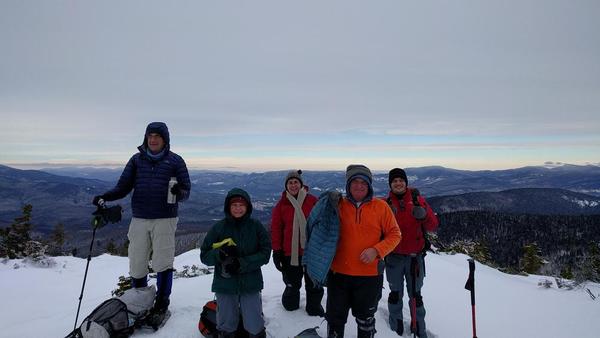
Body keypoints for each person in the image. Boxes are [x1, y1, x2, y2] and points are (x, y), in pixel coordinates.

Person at [92, 121, 191, 326]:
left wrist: (178, 192)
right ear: (146, 138)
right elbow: (123, 187)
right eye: (150, 136)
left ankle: (162, 302)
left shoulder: (175, 161)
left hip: (165, 218)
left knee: (163, 262)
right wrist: (105, 197)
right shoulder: (136, 160)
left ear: (165, 139)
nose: (153, 139)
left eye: (157, 136)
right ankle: (139, 300)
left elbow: (186, 191)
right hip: (139, 218)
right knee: (137, 262)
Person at [326, 164, 401, 338]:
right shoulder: (337, 205)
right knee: (335, 320)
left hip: (369, 276)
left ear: (369, 186)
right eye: (355, 182)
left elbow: (395, 234)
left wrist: (377, 250)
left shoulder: (381, 207)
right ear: (348, 184)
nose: (359, 186)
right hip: (338, 274)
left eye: (364, 183)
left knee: (365, 319)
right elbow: (320, 229)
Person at [200, 188, 271, 338]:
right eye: (234, 205)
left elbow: (265, 253)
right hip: (225, 283)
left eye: (241, 205)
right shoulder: (219, 227)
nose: (238, 209)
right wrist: (218, 254)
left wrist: (242, 263)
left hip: (250, 282)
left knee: (254, 322)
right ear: (228, 207)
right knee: (226, 323)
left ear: (247, 207)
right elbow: (204, 255)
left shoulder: (256, 226)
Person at [384, 168, 438, 337]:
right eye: (394, 181)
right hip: (393, 257)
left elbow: (433, 225)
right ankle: (394, 329)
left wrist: (423, 216)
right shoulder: (385, 204)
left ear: (406, 183)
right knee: (395, 294)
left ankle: (420, 329)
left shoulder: (418, 201)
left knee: (416, 295)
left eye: (401, 180)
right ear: (390, 184)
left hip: (415, 257)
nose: (398, 183)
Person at [271, 169, 324, 316]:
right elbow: (276, 229)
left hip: (311, 251)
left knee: (313, 282)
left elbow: (322, 223)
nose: (293, 185)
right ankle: (290, 304)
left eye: (296, 182)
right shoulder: (281, 205)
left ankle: (314, 307)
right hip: (290, 253)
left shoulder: (312, 201)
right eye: (290, 182)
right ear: (286, 186)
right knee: (292, 282)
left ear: (301, 184)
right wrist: (277, 250)